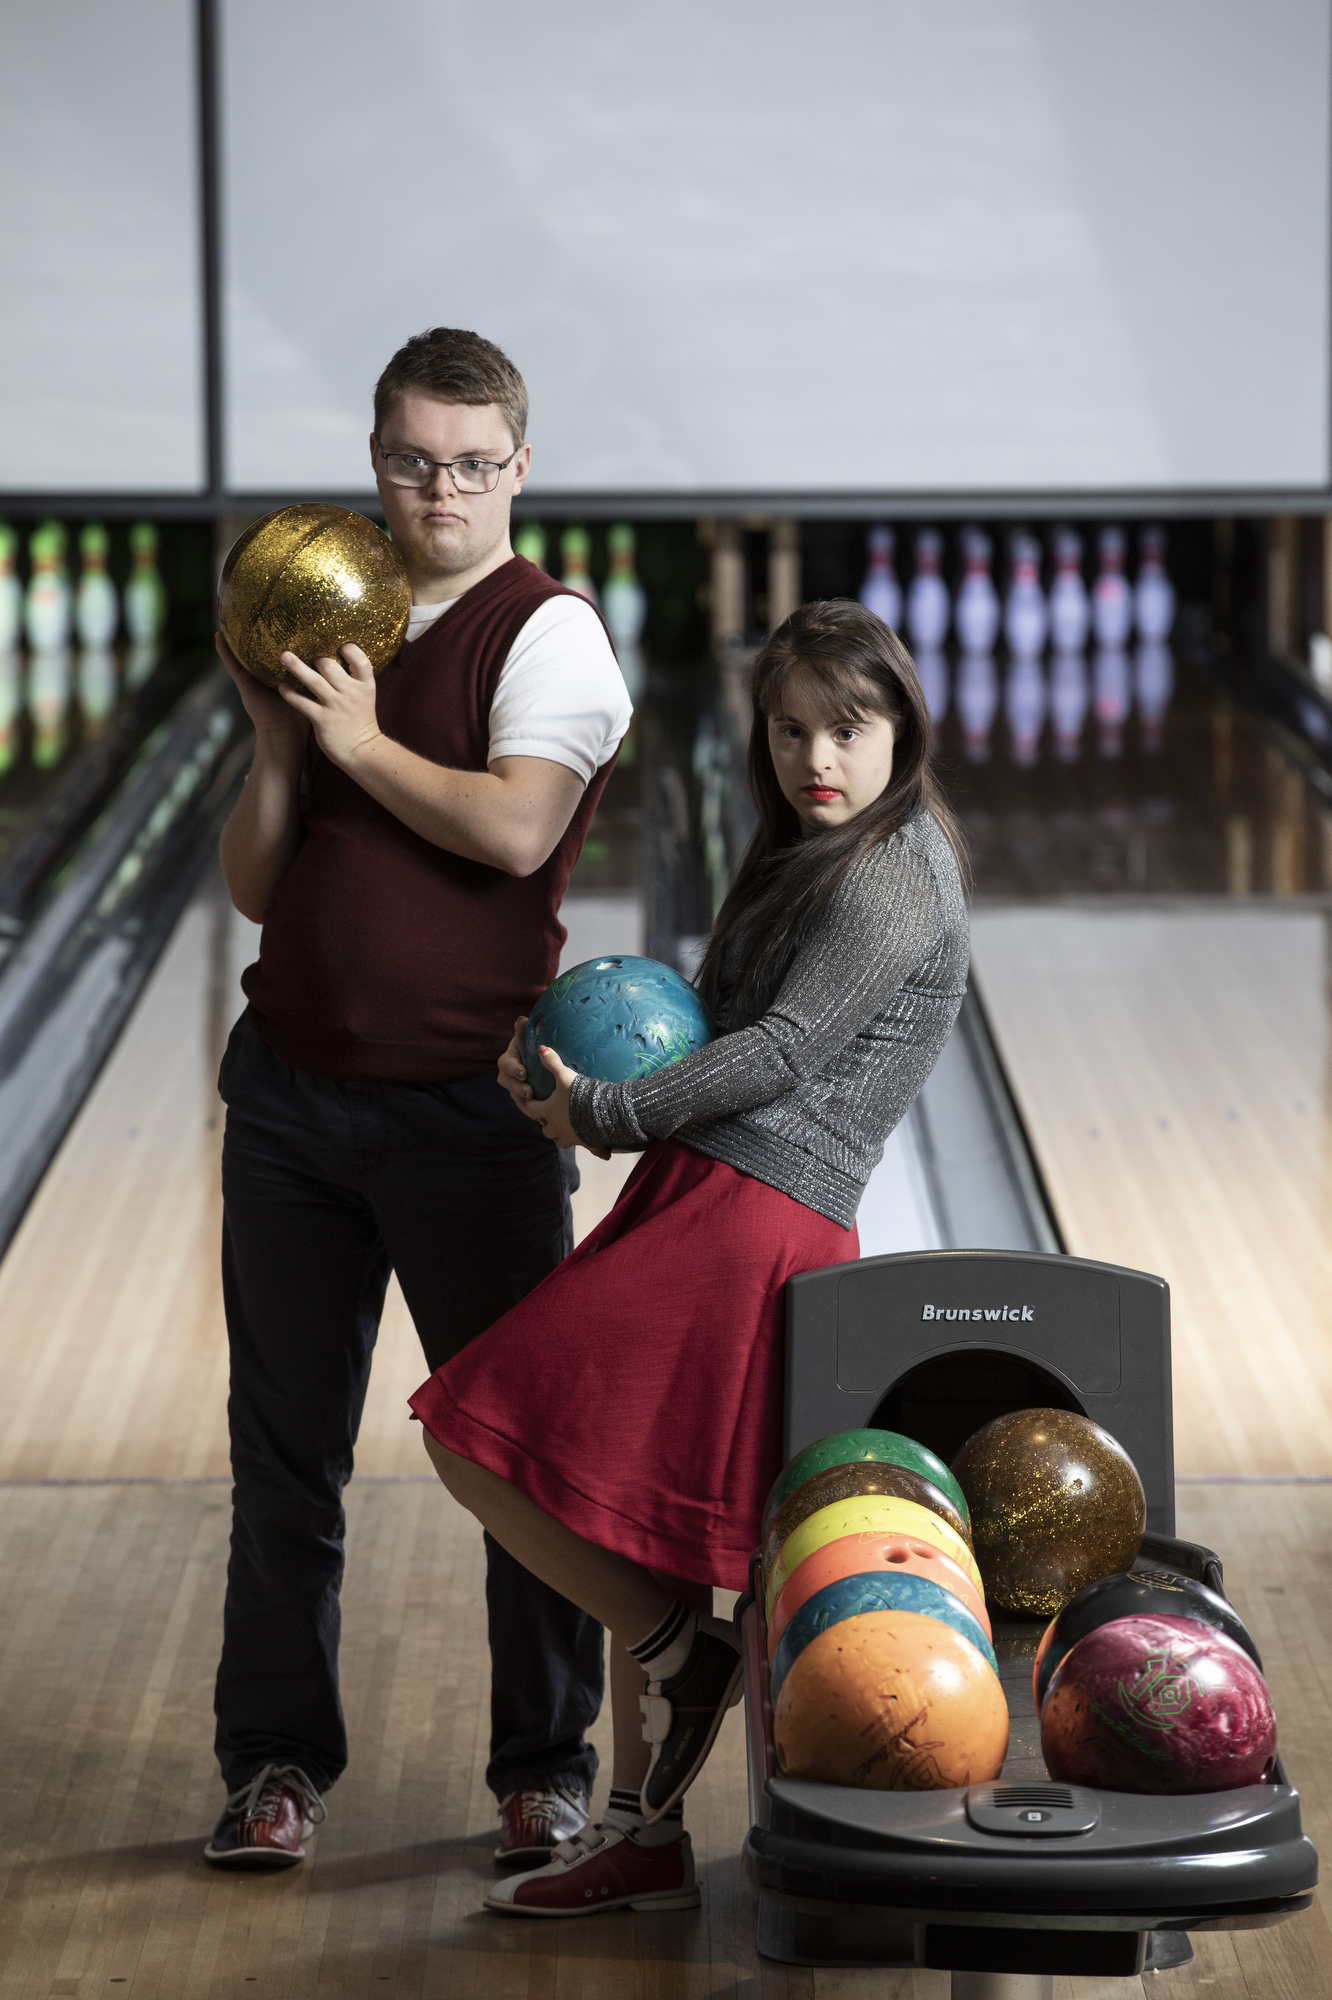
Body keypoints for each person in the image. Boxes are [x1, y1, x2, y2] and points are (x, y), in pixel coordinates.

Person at [409, 599, 970, 1916]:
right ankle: (644, 1839)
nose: (813, 755)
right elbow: (726, 1028)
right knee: (631, 1517)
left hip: (752, 1219)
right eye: (788, 728)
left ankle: (686, 1652)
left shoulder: (895, 873)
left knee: (466, 1432)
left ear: (902, 727)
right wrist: (589, 1070)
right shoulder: (817, 851)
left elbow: (777, 1057)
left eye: (847, 726)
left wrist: (598, 1112)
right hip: (709, 1190)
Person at [205, 327, 632, 1871]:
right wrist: (277, 744)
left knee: (517, 1456)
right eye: (408, 459)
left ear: (518, 468)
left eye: (468, 464)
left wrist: (355, 736)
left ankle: (544, 1768)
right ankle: (270, 1768)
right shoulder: (329, 616)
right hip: (295, 1111)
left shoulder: (552, 634)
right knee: (284, 1458)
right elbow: (263, 882)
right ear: (373, 460)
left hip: (472, 1121)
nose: (436, 489)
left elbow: (516, 831)